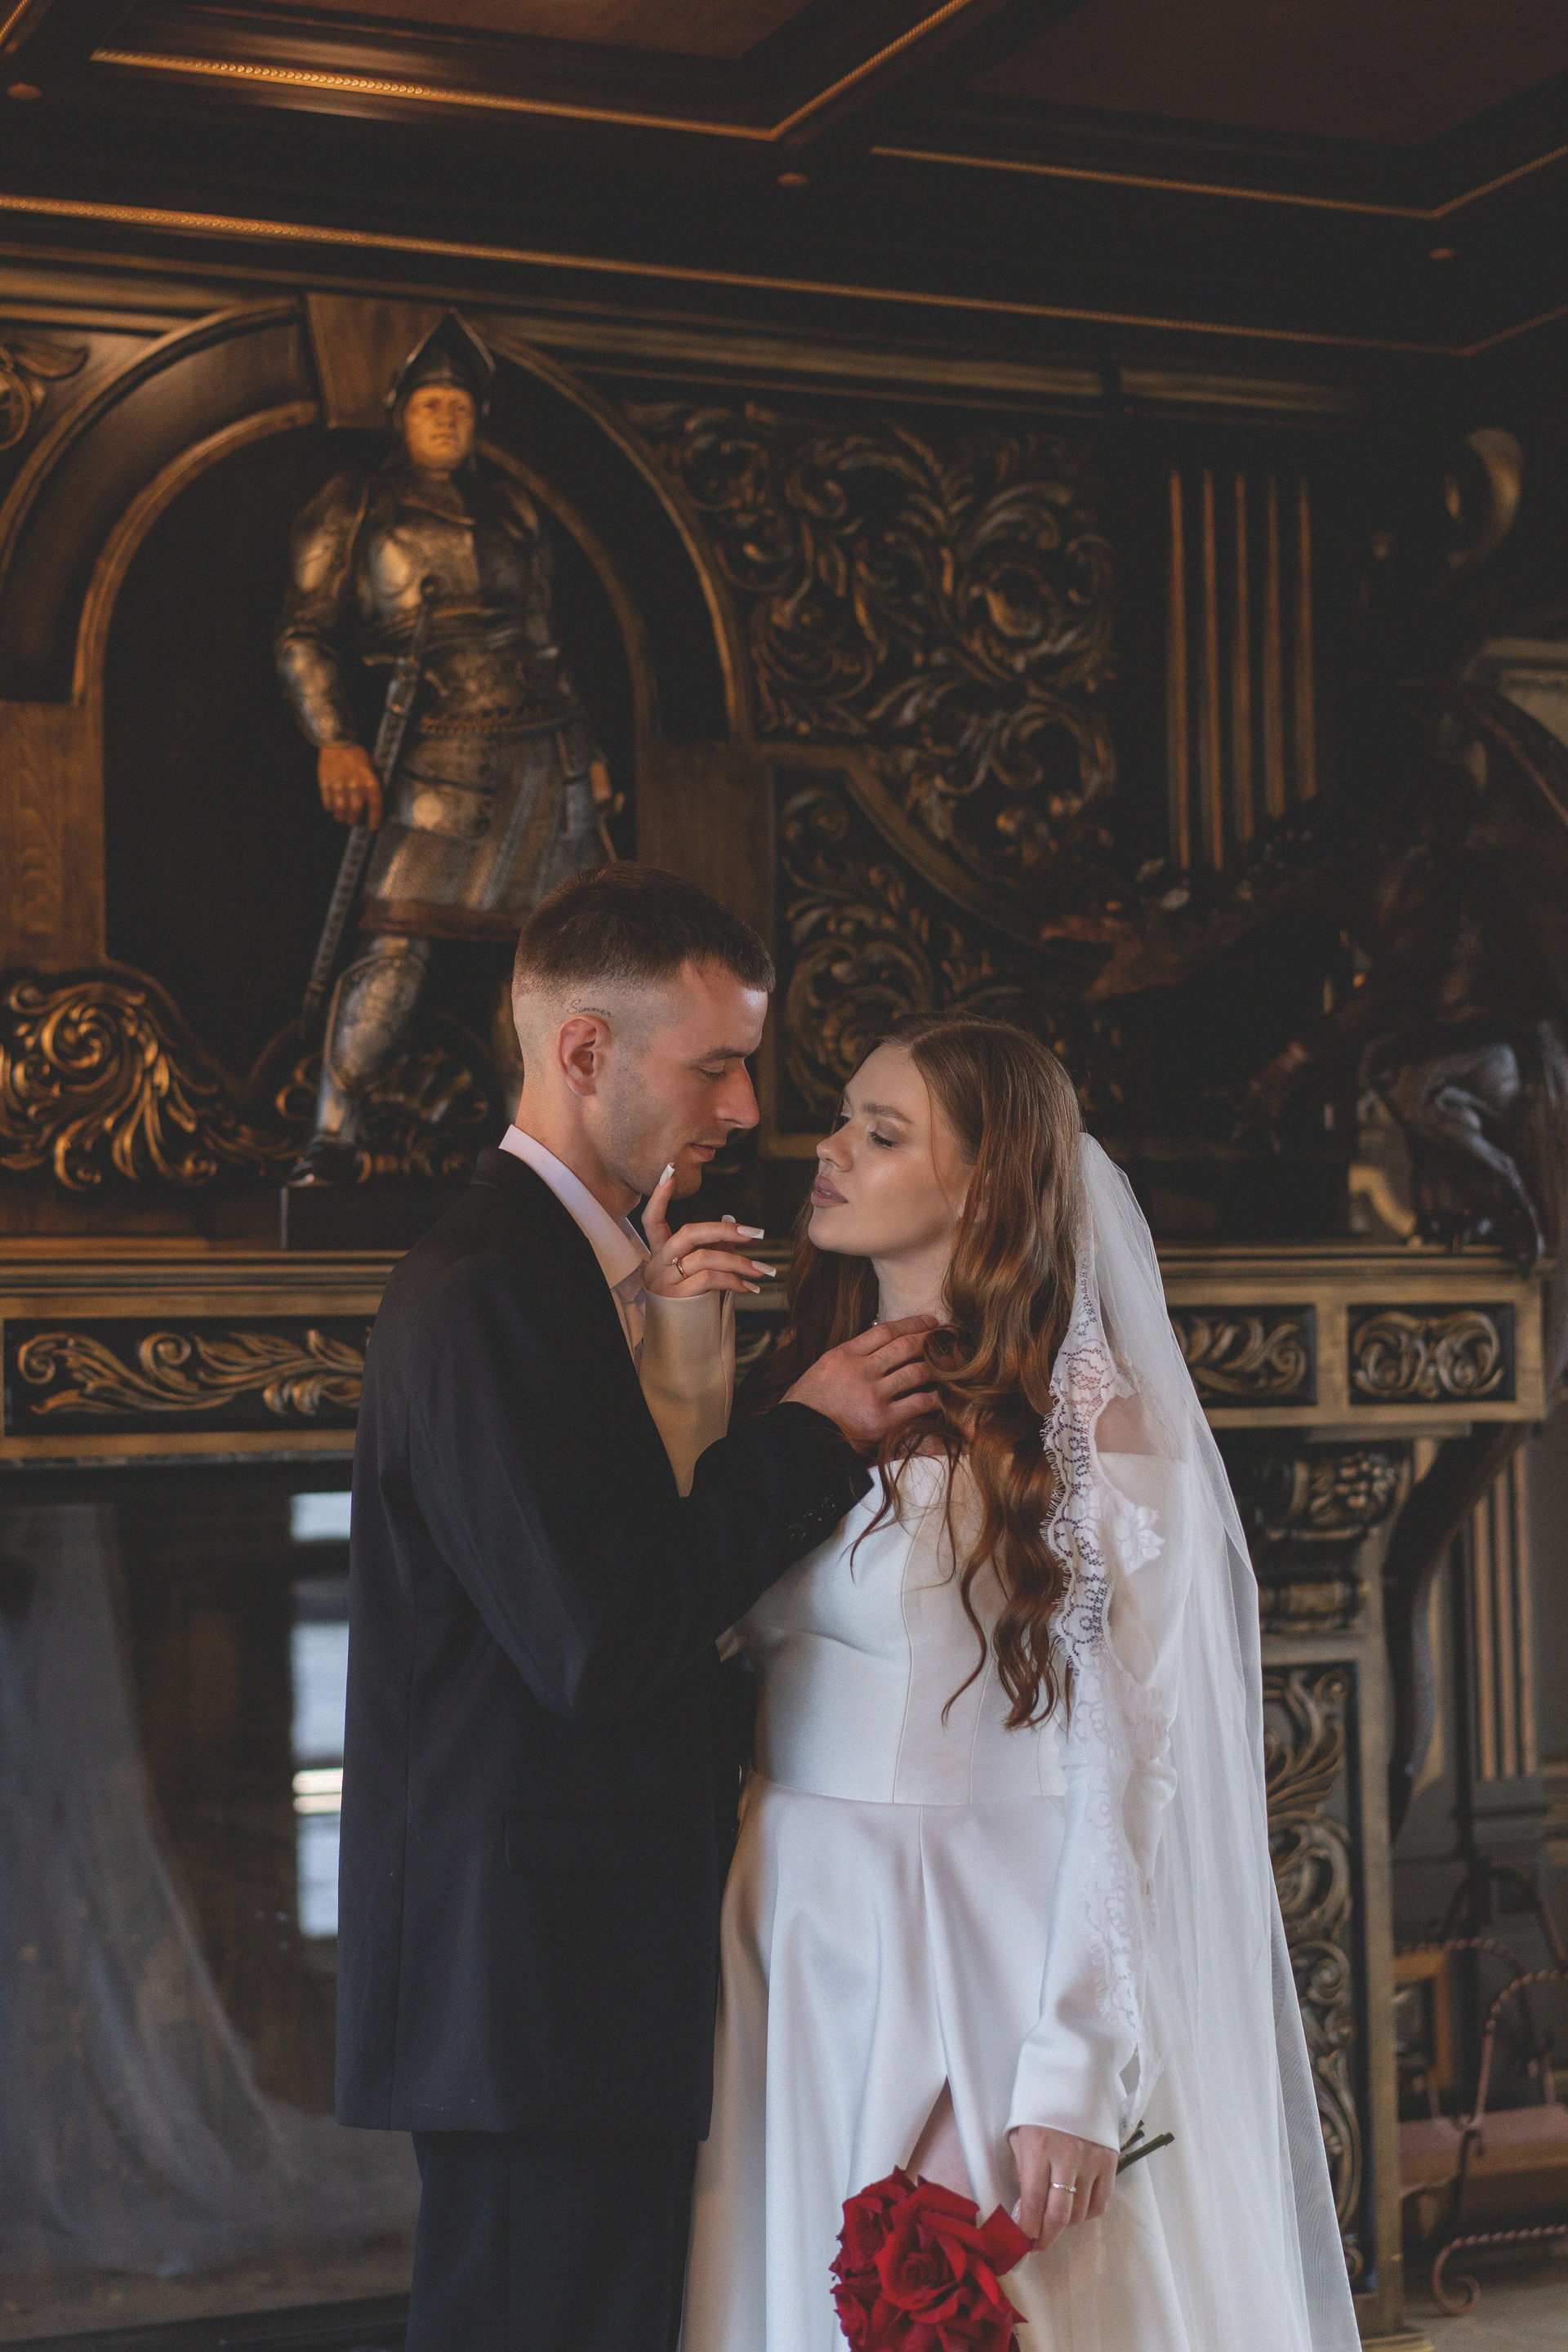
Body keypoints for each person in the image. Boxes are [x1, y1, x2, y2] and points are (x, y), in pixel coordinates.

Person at [682, 1013, 1361, 2352]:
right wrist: (669, 1338)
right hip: (791, 1925)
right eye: (845, 1119)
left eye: (883, 1134)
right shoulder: (790, 1391)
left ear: (985, 1190)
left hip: (975, 1939)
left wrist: (1076, 2064)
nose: (831, 1151)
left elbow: (1132, 1767)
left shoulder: (1094, 1425)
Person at [336, 864, 936, 2352]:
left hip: (585, 1970)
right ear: (585, 1050)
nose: (746, 1107)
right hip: (538, 1982)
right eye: (714, 1065)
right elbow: (596, 1643)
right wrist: (807, 1435)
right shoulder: (486, 1287)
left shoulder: (581, 1275)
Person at [275, 310, 615, 1183]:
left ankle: (537, 1154)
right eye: (431, 404)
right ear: (402, 414)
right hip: (435, 749)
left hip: (541, 756)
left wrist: (588, 752)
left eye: (460, 407)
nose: (447, 419)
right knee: (396, 942)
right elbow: (306, 634)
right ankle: (332, 1134)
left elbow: (545, 642)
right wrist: (334, 740)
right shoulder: (358, 503)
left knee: (540, 966)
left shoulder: (512, 509)